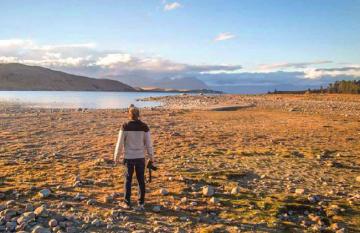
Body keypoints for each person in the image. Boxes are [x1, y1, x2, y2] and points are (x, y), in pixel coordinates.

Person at [114, 105, 154, 210]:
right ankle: (141, 203)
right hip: (140, 157)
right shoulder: (144, 127)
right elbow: (149, 144)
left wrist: (116, 157)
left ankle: (127, 203)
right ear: (138, 115)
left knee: (128, 180)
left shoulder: (125, 126)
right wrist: (151, 156)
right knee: (141, 180)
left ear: (129, 115)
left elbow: (119, 143)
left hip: (129, 158)